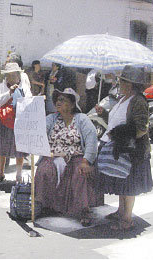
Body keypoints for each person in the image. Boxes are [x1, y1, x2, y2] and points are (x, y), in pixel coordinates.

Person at [96, 65, 153, 231]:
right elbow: (116, 123)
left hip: (131, 151)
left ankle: (127, 219)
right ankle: (121, 211)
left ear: (130, 83)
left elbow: (142, 128)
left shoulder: (138, 101)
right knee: (122, 182)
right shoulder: (123, 99)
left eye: (122, 80)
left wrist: (122, 138)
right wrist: (103, 114)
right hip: (120, 147)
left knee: (129, 186)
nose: (119, 83)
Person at [35, 88, 103, 226]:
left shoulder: (82, 119)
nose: (58, 102)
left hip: (76, 156)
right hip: (53, 155)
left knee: (80, 173)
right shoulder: (51, 119)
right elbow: (40, 133)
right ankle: (45, 205)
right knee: (44, 170)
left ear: (72, 104)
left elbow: (91, 140)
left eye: (63, 100)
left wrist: (86, 161)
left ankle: (83, 209)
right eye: (57, 100)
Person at [0, 63, 27, 183]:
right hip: (3, 121)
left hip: (18, 121)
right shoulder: (2, 86)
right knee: (1, 148)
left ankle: (18, 175)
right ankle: (1, 173)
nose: (11, 78)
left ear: (18, 75)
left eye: (14, 75)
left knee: (19, 149)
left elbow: (28, 100)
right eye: (9, 75)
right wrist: (9, 93)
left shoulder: (24, 85)